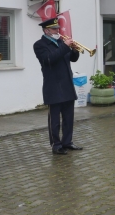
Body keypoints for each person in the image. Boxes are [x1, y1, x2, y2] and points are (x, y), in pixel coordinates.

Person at [33, 17, 83, 155]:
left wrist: (74, 49)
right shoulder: (40, 45)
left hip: (67, 84)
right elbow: (49, 59)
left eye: (58, 28)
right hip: (53, 85)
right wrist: (65, 46)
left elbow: (72, 58)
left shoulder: (61, 42)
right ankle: (56, 144)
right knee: (54, 119)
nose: (57, 31)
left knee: (69, 117)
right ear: (46, 30)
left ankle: (67, 142)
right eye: (54, 29)